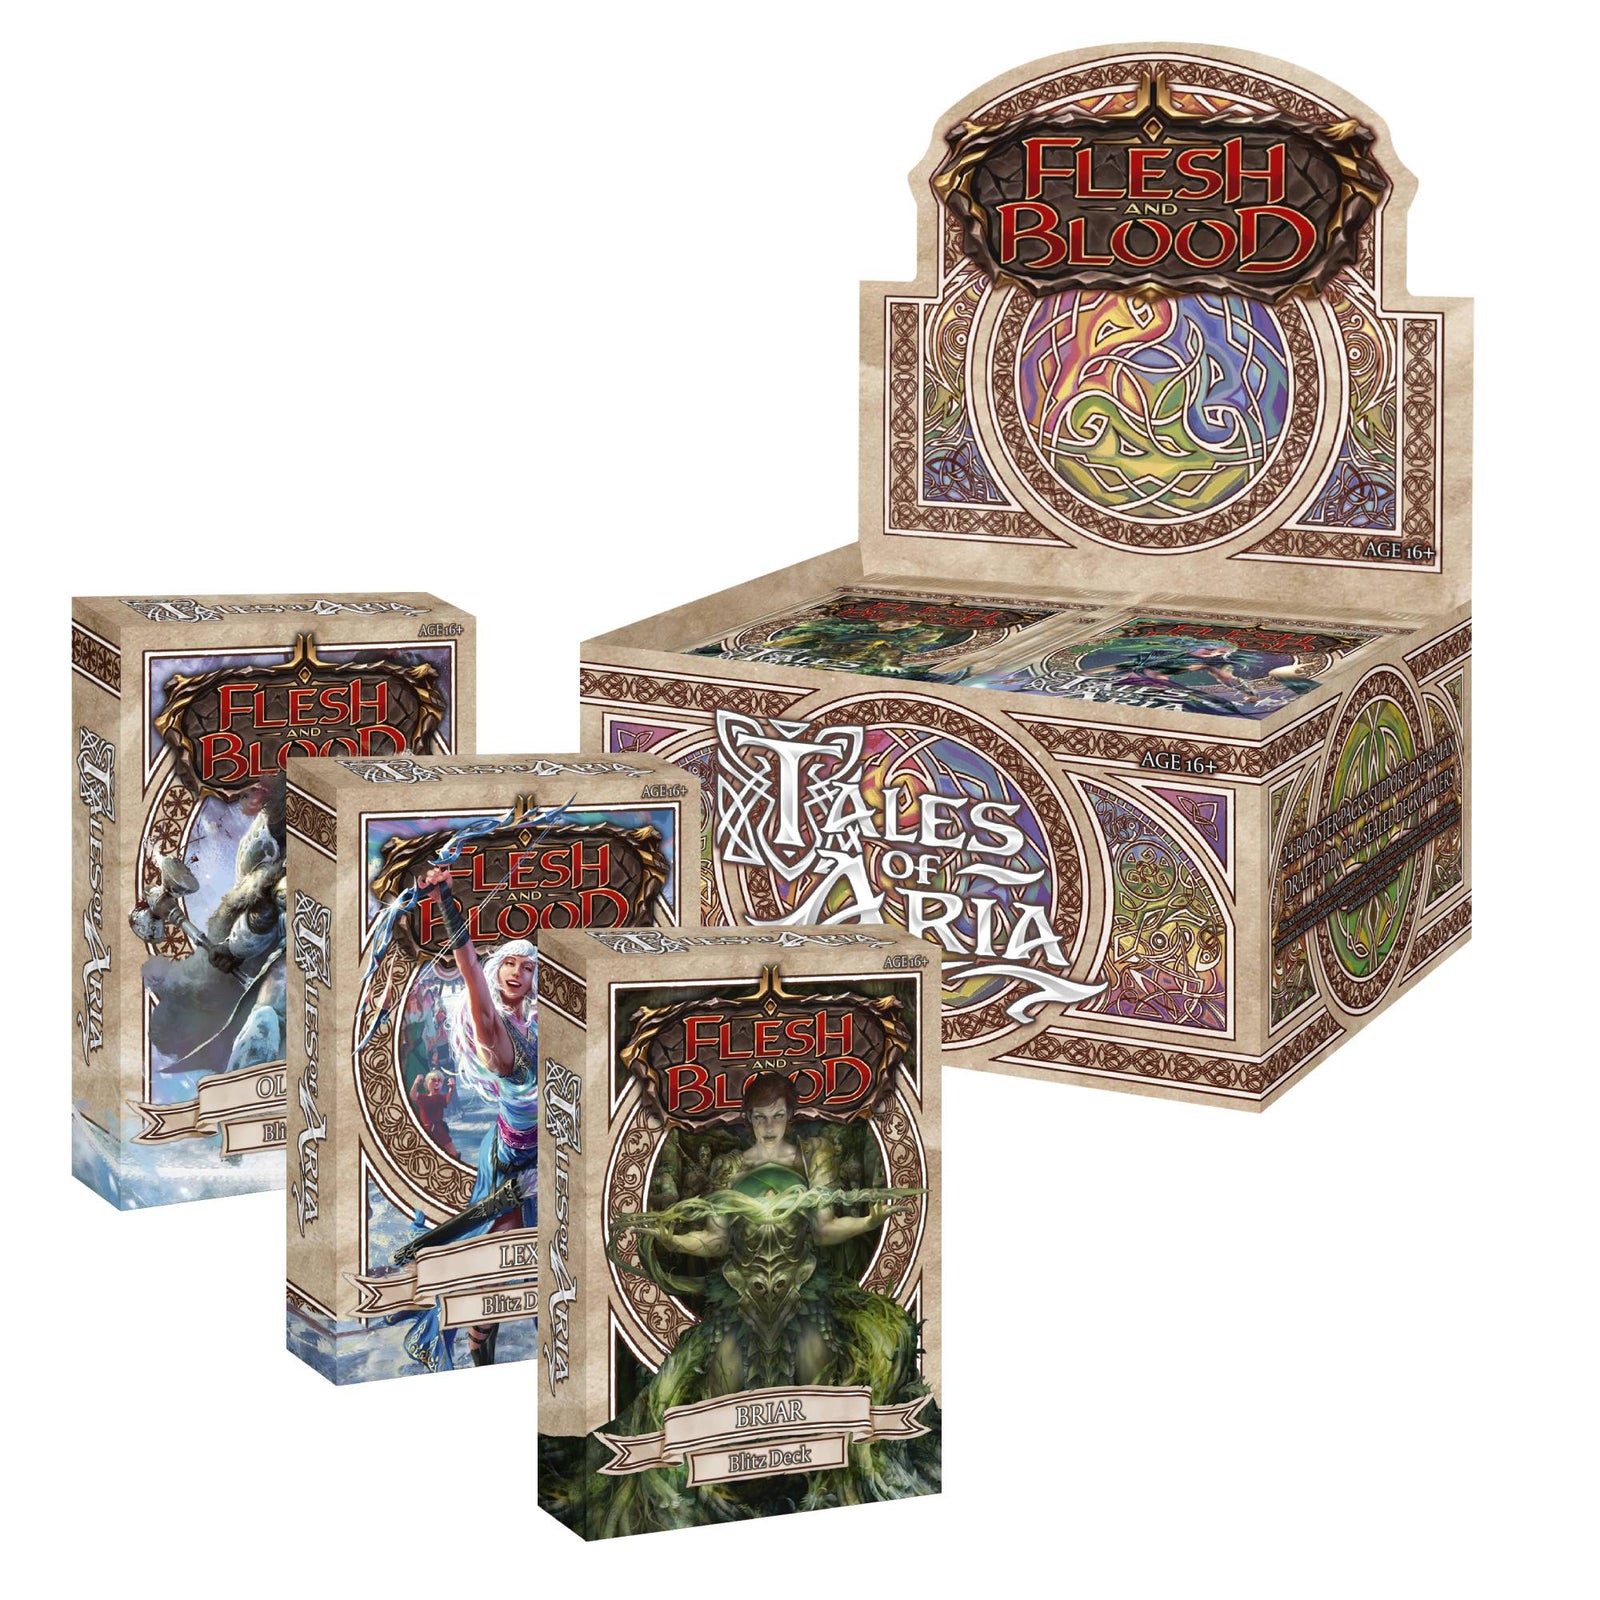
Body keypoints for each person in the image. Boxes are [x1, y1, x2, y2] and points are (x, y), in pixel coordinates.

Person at [402, 864, 537, 1370]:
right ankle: (478, 1347)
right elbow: (470, 971)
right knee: (498, 1262)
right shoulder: (494, 1030)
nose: (517, 972)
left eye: (527, 967)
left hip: (549, 1152)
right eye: (509, 964)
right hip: (514, 1162)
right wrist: (445, 899)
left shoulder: (536, 1019)